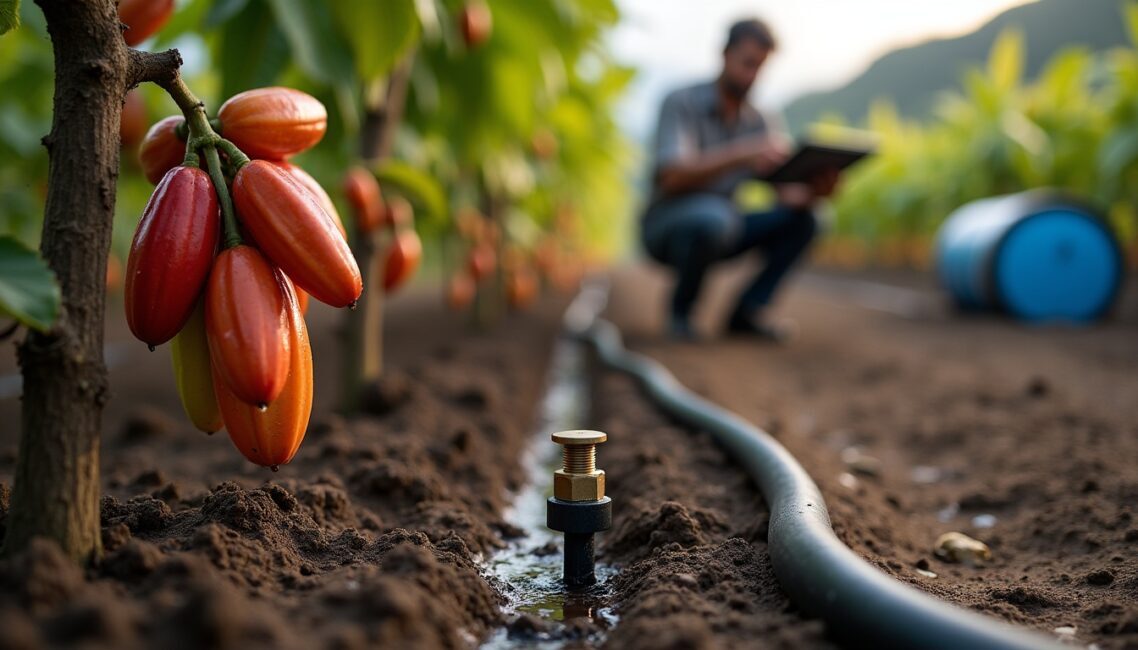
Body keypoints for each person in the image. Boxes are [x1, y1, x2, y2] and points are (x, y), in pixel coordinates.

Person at [641, 18, 839, 341]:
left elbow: (784, 194)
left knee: (809, 220)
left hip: (724, 225)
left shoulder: (761, 120)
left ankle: (746, 313)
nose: (752, 76)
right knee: (712, 216)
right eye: (747, 63)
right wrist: (742, 154)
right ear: (724, 54)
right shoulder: (681, 102)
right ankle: (681, 312)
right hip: (667, 227)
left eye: (760, 67)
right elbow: (672, 175)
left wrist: (813, 193)